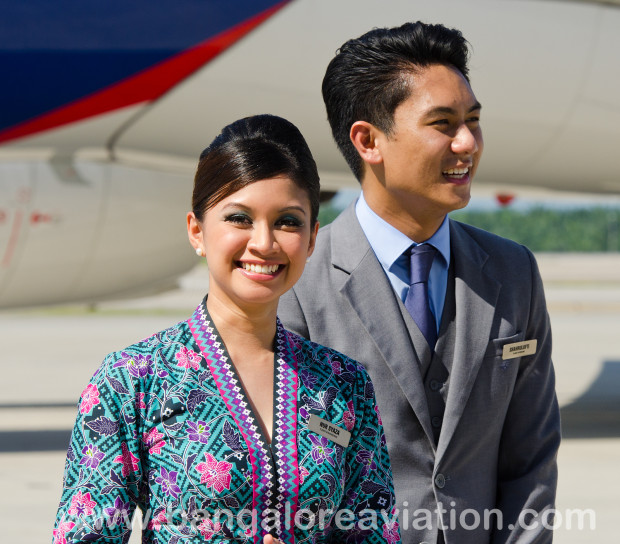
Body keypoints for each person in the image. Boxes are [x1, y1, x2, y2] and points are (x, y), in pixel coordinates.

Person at [52, 114, 400, 544]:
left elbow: (374, 533)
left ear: (311, 239)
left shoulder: (344, 385)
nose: (264, 242)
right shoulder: (131, 381)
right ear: (197, 232)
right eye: (239, 218)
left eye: (288, 221)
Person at [279, 22, 561, 544]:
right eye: (443, 123)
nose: (468, 143)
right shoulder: (297, 282)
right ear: (368, 141)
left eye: (473, 121)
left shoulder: (514, 271)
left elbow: (532, 461)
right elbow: (284, 479)